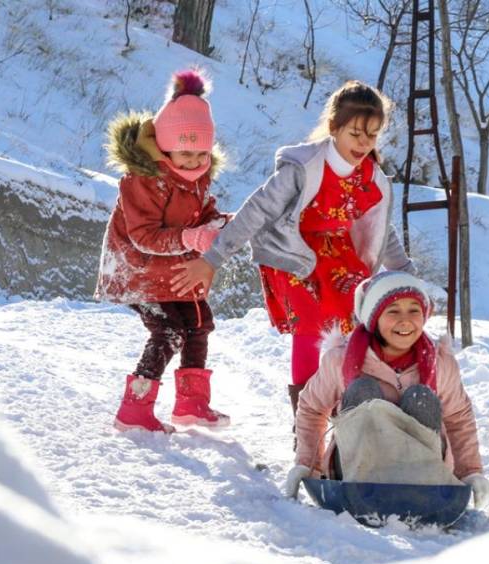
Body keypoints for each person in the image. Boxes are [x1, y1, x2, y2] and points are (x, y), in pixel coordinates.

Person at [168, 81, 415, 429]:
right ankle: (307, 421)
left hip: (341, 259)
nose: (363, 143)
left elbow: (381, 229)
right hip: (295, 254)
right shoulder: (303, 169)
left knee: (355, 327)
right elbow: (256, 210)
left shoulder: (370, 178)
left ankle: (350, 412)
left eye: (372, 135)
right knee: (311, 326)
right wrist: (212, 259)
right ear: (334, 127)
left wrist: (406, 274)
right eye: (356, 133)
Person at [281, 271, 489, 509]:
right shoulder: (340, 360)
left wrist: (470, 472)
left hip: (423, 476)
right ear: (374, 318)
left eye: (414, 310)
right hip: (356, 473)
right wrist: (307, 465)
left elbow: (458, 418)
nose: (405, 320)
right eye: (393, 311)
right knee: (363, 391)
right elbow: (312, 408)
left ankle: (419, 489)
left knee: (421, 398)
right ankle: (363, 485)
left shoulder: (439, 362)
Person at [96, 69, 231, 433]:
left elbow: (202, 213)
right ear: (166, 147)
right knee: (169, 329)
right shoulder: (144, 179)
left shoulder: (196, 176)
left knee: (198, 322)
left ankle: (191, 404)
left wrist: (219, 223)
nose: (194, 161)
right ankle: (134, 409)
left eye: (202, 153)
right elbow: (143, 235)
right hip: (136, 268)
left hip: (171, 267)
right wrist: (190, 239)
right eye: (185, 153)